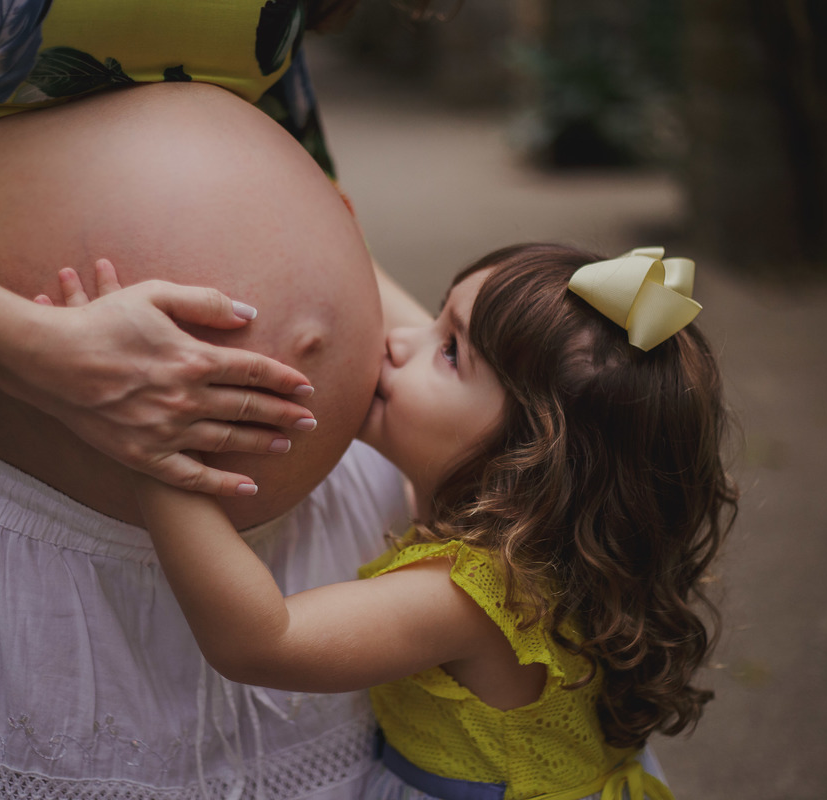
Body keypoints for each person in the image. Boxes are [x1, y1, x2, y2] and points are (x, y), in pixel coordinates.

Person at [0, 2, 431, 797]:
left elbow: (290, 151)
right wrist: (52, 356)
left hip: (313, 537)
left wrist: (487, 368)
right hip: (24, 525)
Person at [75, 244, 740, 800]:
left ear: (527, 459)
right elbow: (395, 306)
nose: (397, 340)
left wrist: (155, 450)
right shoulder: (541, 532)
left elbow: (262, 641)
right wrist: (336, 235)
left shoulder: (472, 596)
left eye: (448, 350)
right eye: (436, 317)